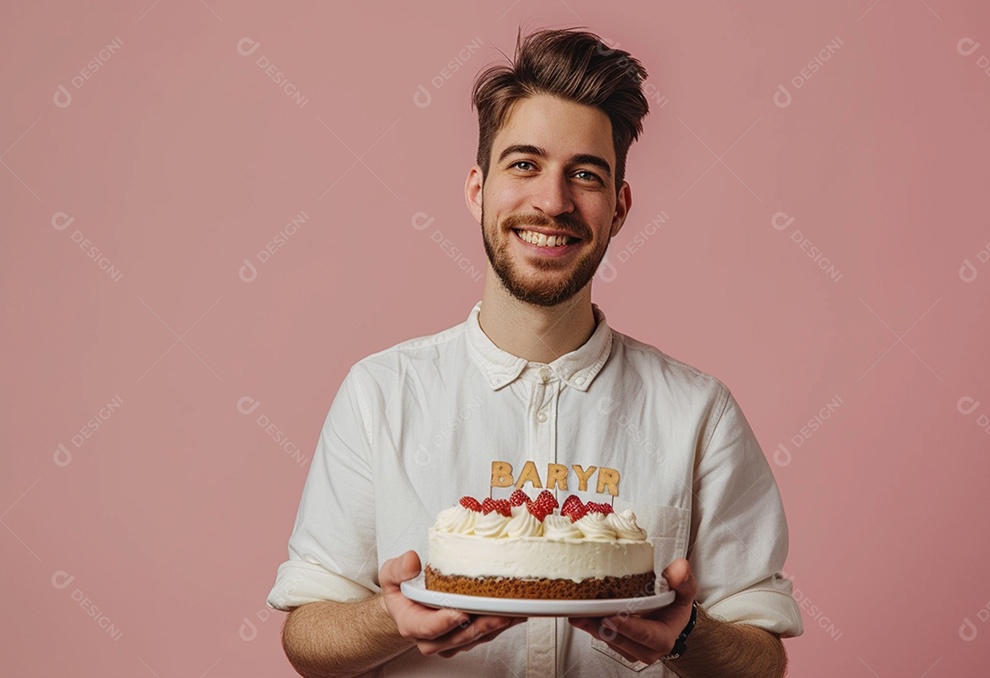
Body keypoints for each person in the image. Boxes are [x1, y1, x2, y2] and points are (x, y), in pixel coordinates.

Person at [267, 27, 803, 677]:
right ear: (477, 189)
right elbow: (308, 636)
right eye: (524, 164)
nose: (553, 202)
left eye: (585, 174)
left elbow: (762, 660)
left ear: (620, 207)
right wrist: (390, 617)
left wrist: (687, 634)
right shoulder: (382, 393)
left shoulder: (697, 412)